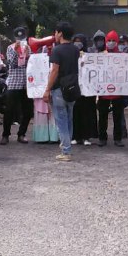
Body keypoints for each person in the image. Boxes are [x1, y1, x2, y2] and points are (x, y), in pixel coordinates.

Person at [43, 21, 80, 162]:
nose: (55, 35)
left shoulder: (57, 50)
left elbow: (54, 71)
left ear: (61, 33)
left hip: (59, 89)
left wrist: (47, 89)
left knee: (61, 121)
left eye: (56, 32)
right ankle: (67, 145)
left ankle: (66, 151)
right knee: (69, 119)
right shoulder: (75, 50)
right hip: (73, 88)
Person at [1, 27, 33, 145]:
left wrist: (28, 54)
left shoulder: (29, 48)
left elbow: (32, 64)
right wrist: (16, 50)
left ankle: (22, 134)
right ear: (15, 38)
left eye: (22, 37)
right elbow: (12, 64)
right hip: (14, 83)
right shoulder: (10, 48)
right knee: (9, 110)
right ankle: (5, 135)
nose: (20, 40)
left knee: (28, 111)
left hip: (26, 84)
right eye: (18, 38)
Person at [95, 30, 127, 147]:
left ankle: (118, 138)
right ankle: (102, 138)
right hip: (103, 93)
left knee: (118, 117)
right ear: (105, 41)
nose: (111, 43)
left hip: (118, 92)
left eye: (114, 40)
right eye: (109, 40)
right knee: (102, 116)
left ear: (117, 42)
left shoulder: (123, 57)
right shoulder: (100, 56)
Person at [71, 33, 96, 146]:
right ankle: (76, 136)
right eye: (75, 41)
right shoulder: (71, 55)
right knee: (75, 113)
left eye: (80, 41)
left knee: (87, 113)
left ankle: (86, 137)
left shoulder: (90, 55)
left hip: (87, 89)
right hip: (75, 88)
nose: (78, 43)